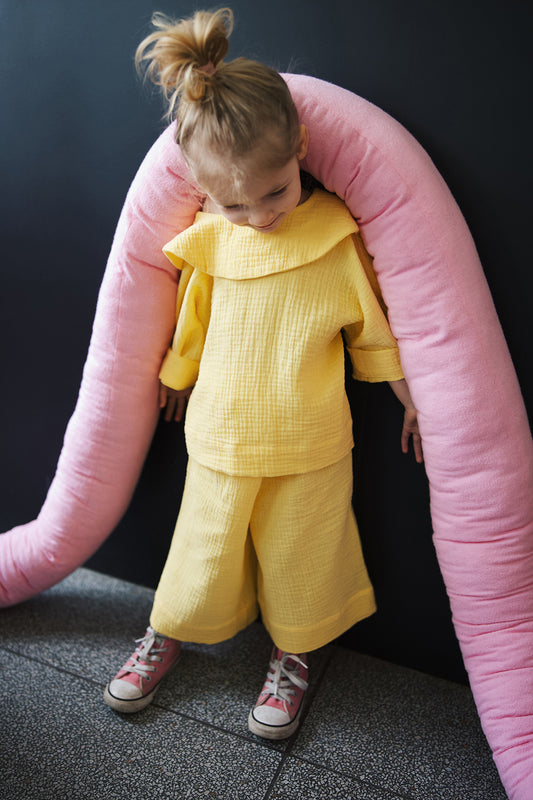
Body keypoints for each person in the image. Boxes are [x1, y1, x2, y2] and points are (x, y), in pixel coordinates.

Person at [104, 7, 423, 740]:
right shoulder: (214, 237)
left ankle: (294, 653)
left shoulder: (336, 239)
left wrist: (412, 399)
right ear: (204, 188)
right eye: (232, 201)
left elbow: (373, 338)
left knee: (303, 557)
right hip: (220, 437)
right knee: (199, 549)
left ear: (299, 153)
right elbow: (193, 320)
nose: (256, 217)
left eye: (273, 194)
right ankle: (166, 633)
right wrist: (177, 376)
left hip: (310, 444)